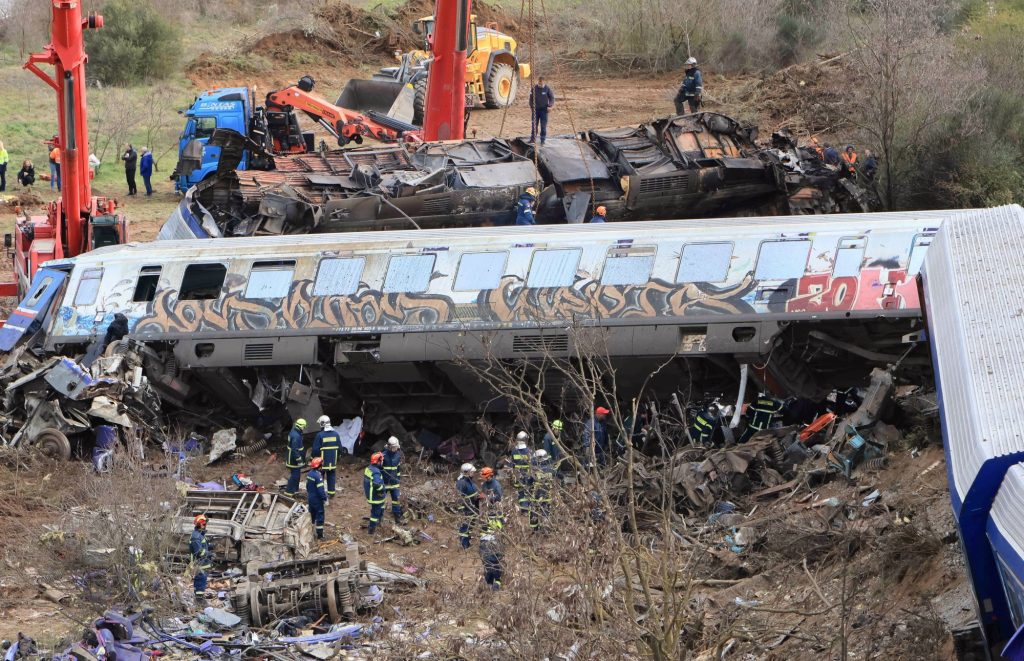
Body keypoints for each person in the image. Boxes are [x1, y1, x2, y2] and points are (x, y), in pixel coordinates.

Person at [312, 415, 342, 497]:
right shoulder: (336, 434)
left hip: (321, 462)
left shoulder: (320, 435)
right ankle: (331, 493)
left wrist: (313, 458)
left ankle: (320, 494)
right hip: (332, 461)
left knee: (320, 477)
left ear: (322, 424)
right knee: (331, 476)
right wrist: (338, 458)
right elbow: (340, 448)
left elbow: (315, 450)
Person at [456, 463, 481, 549]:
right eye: (472, 472)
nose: (473, 474)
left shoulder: (469, 480)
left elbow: (472, 493)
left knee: (470, 526)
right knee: (465, 527)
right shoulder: (461, 483)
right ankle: (464, 545)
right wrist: (462, 511)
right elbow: (460, 498)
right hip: (466, 509)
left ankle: (468, 541)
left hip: (472, 507)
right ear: (466, 472)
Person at [530, 449, 555, 531]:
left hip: (536, 494)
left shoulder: (534, 470)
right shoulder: (551, 469)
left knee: (534, 510)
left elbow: (529, 481)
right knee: (546, 509)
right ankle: (546, 528)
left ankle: (534, 528)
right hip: (548, 494)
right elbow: (559, 477)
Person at [189, 514, 213, 602]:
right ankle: (199, 600)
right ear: (199, 524)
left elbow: (203, 547)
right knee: (200, 580)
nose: (205, 525)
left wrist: (211, 546)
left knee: (202, 580)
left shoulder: (200, 534)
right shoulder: (196, 536)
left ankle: (200, 598)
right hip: (199, 563)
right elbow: (198, 551)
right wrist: (209, 554)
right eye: (203, 524)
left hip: (203, 562)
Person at [381, 436, 404, 523]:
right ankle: (380, 518)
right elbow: (379, 470)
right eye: (393, 447)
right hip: (384, 483)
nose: (395, 449)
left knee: (396, 501)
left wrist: (398, 481)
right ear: (389, 446)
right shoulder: (383, 455)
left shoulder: (398, 455)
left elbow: (398, 470)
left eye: (396, 447)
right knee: (381, 501)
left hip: (394, 484)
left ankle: (397, 519)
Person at [509, 431, 532, 514]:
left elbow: (512, 464)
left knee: (520, 492)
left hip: (518, 475)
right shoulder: (528, 451)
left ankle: (523, 508)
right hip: (527, 474)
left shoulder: (514, 451)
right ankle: (527, 508)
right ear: (525, 440)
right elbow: (532, 464)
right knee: (528, 491)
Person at [528, 76, 555, 144]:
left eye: (542, 82)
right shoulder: (534, 88)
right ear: (538, 81)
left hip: (544, 111)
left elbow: (552, 98)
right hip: (535, 111)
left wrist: (550, 106)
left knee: (543, 126)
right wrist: (532, 107)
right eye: (539, 81)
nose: (540, 83)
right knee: (534, 125)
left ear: (544, 82)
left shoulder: (547, 89)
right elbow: (531, 99)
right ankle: (533, 139)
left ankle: (542, 140)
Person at [364, 452, 386, 534]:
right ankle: (371, 529)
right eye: (381, 460)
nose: (382, 462)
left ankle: (379, 522)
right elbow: (377, 484)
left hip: (371, 494)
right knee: (375, 512)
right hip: (376, 496)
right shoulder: (376, 472)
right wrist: (382, 489)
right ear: (378, 461)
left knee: (381, 507)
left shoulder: (369, 468)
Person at [284, 418, 307, 497]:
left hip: (292, 458)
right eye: (304, 427)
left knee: (296, 475)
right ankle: (289, 491)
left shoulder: (294, 432)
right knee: (295, 475)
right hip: (293, 460)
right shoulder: (296, 436)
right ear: (301, 426)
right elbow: (294, 450)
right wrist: (299, 460)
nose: (304, 428)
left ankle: (295, 490)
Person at [306, 457, 328, 540]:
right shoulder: (318, 476)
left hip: (310, 497)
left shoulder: (310, 474)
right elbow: (321, 490)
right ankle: (319, 535)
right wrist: (325, 498)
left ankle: (310, 531)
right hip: (317, 500)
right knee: (320, 516)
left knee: (312, 515)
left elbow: (307, 486)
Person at [479, 519, 504, 591]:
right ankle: (495, 582)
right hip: (493, 544)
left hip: (485, 544)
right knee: (494, 564)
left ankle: (490, 583)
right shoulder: (498, 520)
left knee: (489, 565)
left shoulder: (484, 519)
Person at [479, 466, 504, 530]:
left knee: (498, 520)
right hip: (488, 506)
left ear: (488, 476)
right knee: (488, 520)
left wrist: (488, 498)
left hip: (496, 505)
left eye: (484, 477)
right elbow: (483, 492)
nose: (483, 478)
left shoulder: (496, 485)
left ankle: (500, 531)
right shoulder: (485, 484)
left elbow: (499, 496)